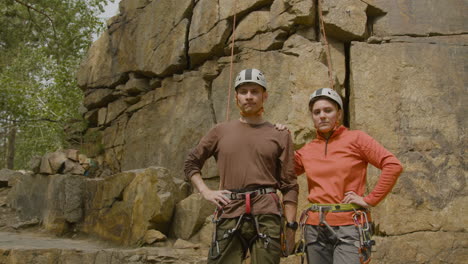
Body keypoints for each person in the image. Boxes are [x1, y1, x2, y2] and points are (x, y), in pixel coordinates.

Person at [184, 68, 299, 264]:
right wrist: (206, 191)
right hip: (230, 210)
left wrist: (290, 227)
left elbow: (289, 184)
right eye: (243, 92)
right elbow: (191, 163)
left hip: (267, 214)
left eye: (255, 91)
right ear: (236, 96)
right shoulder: (220, 131)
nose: (249, 97)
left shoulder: (280, 134)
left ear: (265, 96)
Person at [290, 88, 403, 264]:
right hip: (314, 227)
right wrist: (278, 135)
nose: (322, 116)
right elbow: (280, 172)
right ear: (312, 117)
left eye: (328, 110)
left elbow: (393, 165)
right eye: (317, 112)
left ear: (339, 114)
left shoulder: (356, 139)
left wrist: (370, 200)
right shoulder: (307, 150)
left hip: (349, 225)